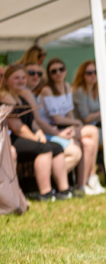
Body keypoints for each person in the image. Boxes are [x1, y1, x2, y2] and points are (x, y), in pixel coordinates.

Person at [1, 64, 73, 201]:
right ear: (6, 80)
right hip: (13, 139)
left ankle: (64, 190)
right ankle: (45, 192)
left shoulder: (21, 97)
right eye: (16, 78)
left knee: (56, 147)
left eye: (23, 78)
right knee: (43, 148)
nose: (21, 81)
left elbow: (33, 121)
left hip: (27, 136)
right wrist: (36, 139)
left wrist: (39, 132)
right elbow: (16, 127)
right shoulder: (5, 98)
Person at [39, 58, 102, 194]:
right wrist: (75, 123)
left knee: (89, 143)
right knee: (91, 132)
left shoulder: (68, 87)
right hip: (51, 130)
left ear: (66, 70)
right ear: (49, 74)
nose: (58, 73)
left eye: (61, 69)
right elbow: (56, 118)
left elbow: (68, 113)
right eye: (54, 71)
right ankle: (90, 177)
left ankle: (82, 185)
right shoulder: (47, 90)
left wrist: (75, 126)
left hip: (64, 127)